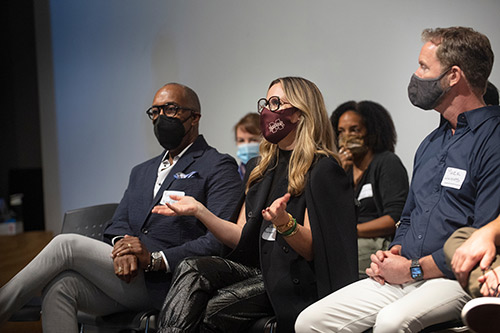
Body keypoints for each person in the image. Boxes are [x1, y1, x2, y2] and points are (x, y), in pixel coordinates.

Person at [295, 26, 500, 333]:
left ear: (453, 75)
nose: (416, 76)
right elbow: (406, 218)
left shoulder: (493, 137)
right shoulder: (430, 144)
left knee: (391, 323)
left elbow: (480, 236)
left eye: (424, 67)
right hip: (408, 271)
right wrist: (394, 253)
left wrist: (413, 270)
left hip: (455, 278)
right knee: (310, 322)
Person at [0, 83, 242, 332]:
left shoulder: (218, 166)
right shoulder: (141, 171)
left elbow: (216, 242)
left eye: (170, 109)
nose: (161, 117)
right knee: (61, 286)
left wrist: (155, 260)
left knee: (66, 245)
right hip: (132, 278)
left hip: (172, 283)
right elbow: (118, 223)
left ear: (194, 117)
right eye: (155, 112)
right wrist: (122, 247)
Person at [152, 76, 358, 332]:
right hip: (257, 271)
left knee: (211, 309)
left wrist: (284, 223)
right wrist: (199, 210)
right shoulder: (260, 169)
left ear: (298, 113)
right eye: (265, 103)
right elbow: (240, 236)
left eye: (275, 103)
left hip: (294, 280)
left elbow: (314, 250)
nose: (266, 112)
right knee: (190, 267)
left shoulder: (322, 169)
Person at [331, 100, 409, 277]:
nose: (347, 136)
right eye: (341, 131)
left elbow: (394, 217)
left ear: (372, 131)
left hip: (376, 242)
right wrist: (337, 176)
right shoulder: (344, 169)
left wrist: (353, 230)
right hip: (347, 240)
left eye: (354, 130)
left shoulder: (387, 162)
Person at [443, 214, 500, 333]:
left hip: (439, 278)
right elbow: (406, 220)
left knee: (394, 323)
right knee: (462, 237)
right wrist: (488, 232)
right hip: (402, 278)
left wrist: (414, 270)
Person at [234, 112, 262, 179]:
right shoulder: (233, 174)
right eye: (241, 140)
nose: (246, 145)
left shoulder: (274, 172)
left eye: (253, 140)